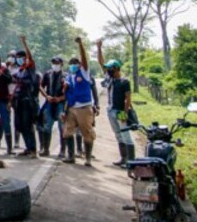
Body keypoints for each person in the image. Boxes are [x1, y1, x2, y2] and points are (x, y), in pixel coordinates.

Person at [96, 39, 135, 167]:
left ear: (117, 68)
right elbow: (101, 62)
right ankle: (123, 158)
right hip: (111, 110)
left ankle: (131, 161)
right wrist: (99, 48)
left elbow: (128, 99)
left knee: (126, 135)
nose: (109, 70)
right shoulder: (109, 78)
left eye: (111, 68)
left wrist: (125, 112)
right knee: (118, 135)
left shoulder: (124, 81)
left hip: (120, 111)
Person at [62, 37, 97, 166]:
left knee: (87, 133)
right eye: (71, 64)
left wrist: (81, 44)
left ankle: (87, 158)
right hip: (71, 108)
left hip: (84, 108)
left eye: (75, 63)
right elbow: (65, 94)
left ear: (79, 65)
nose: (72, 65)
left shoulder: (84, 73)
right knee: (67, 132)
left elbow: (84, 60)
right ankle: (71, 156)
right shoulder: (69, 77)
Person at [12, 36, 39, 157]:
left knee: (28, 125)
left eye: (21, 57)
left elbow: (30, 57)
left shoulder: (30, 69)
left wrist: (24, 43)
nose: (18, 59)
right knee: (20, 125)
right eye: (17, 57)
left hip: (28, 101)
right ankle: (28, 148)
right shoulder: (19, 71)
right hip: (18, 102)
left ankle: (33, 149)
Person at [39, 56, 68, 157]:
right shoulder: (47, 74)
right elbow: (40, 86)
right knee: (47, 126)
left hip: (60, 104)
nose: (55, 65)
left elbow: (69, 92)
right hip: (49, 103)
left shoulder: (66, 76)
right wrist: (47, 96)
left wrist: (60, 98)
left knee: (62, 127)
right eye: (53, 63)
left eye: (57, 63)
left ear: (61, 65)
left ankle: (63, 150)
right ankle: (46, 149)